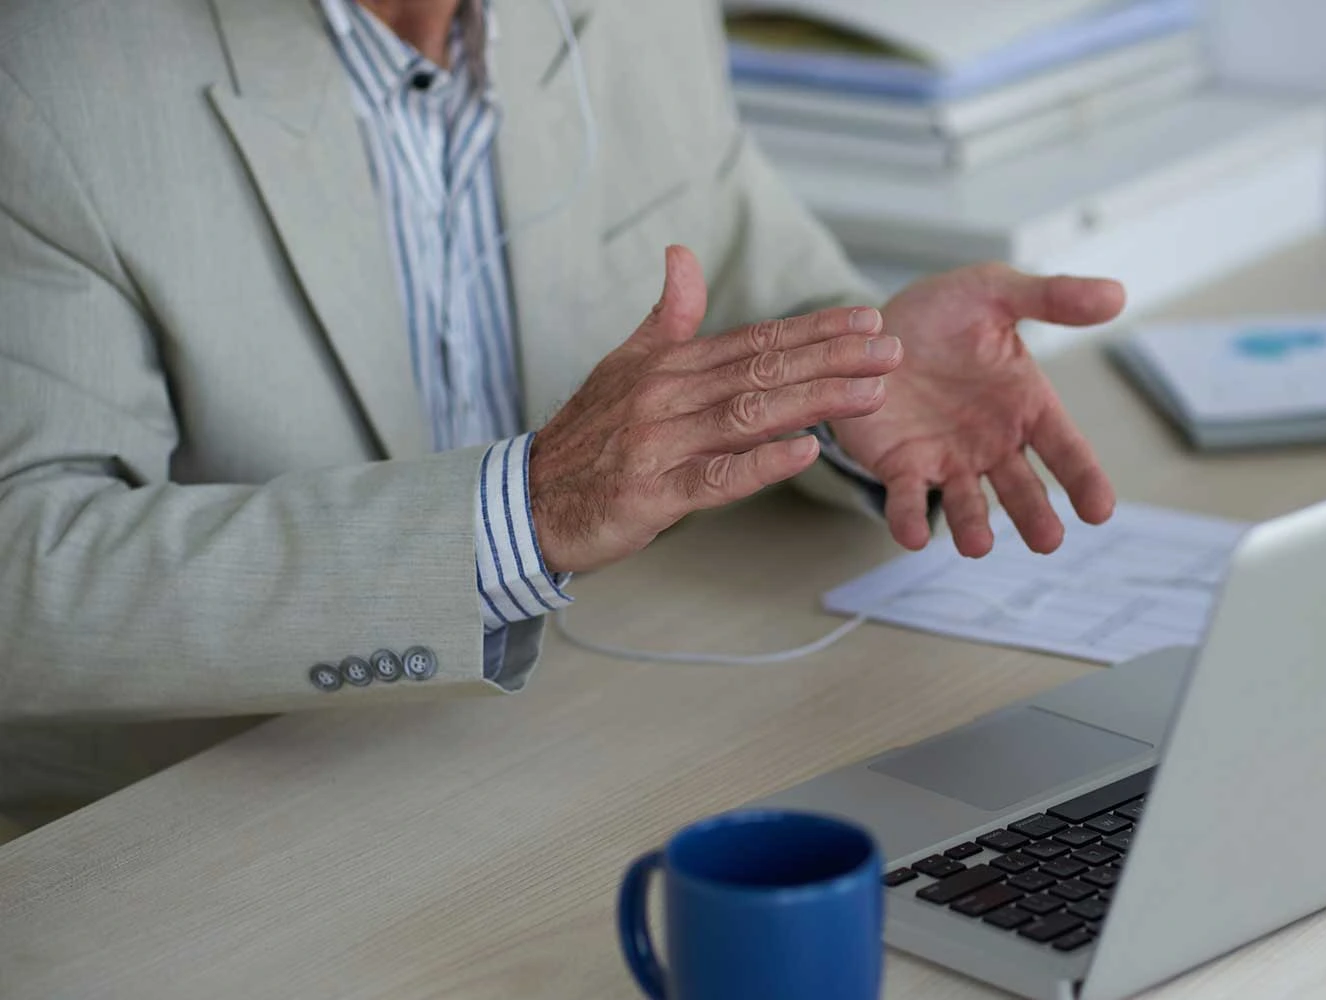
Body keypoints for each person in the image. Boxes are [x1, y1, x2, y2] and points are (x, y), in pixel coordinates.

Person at [0, 0, 1124, 831]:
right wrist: (517, 517)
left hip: (592, 746)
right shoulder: (46, 77)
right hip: (206, 819)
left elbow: (751, 276)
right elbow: (22, 572)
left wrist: (859, 372)